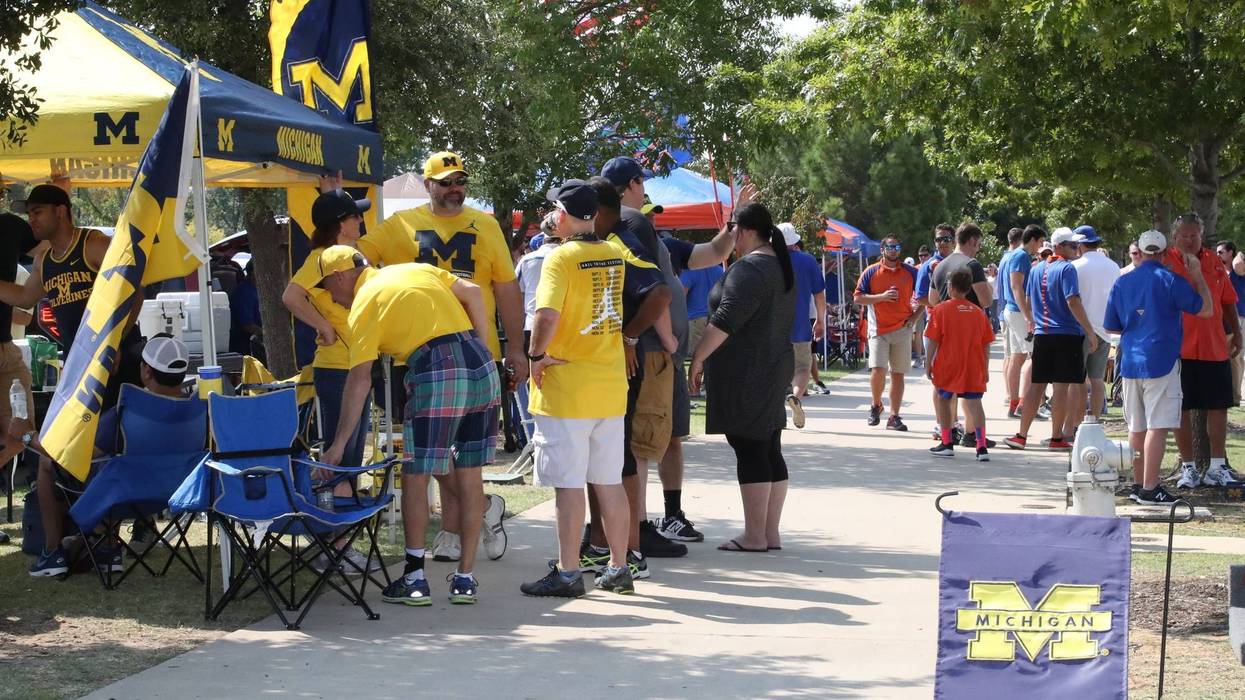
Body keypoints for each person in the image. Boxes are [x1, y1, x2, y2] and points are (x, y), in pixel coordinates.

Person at [354, 153, 521, 564]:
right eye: (445, 181)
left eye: (460, 180)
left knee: (464, 453)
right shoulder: (399, 225)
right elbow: (353, 257)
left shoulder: (485, 224)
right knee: (435, 451)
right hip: (422, 356)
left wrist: (516, 348)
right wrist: (336, 204)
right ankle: (475, 511)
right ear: (427, 184)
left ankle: (455, 526)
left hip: (477, 352)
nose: (454, 188)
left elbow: (505, 289)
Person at [318, 246, 500, 606]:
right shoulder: (414, 270)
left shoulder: (364, 304)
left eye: (327, 286)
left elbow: (359, 380)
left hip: (436, 365)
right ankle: (465, 579)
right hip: (480, 361)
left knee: (415, 473)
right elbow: (474, 293)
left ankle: (415, 577)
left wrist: (338, 445)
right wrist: (481, 343)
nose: (331, 296)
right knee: (469, 472)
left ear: (340, 276)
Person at [519, 179, 661, 597]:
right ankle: (619, 566)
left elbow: (546, 314)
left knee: (568, 485)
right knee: (609, 482)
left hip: (567, 387)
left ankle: (567, 572)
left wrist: (534, 355)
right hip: (608, 386)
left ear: (562, 215)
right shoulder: (613, 254)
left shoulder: (560, 259)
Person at [27, 335, 191, 576]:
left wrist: (28, 438)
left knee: (48, 463)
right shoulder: (196, 408)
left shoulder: (129, 410)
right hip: (175, 494)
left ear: (146, 371)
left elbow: (75, 453)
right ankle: (104, 547)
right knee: (115, 467)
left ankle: (53, 554)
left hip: (125, 495)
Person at [280, 189, 380, 573]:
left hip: (357, 368)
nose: (361, 220)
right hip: (337, 370)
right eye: (355, 215)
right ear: (341, 222)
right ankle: (334, 546)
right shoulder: (320, 259)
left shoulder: (348, 254)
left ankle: (338, 545)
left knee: (351, 459)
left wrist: (329, 190)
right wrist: (322, 325)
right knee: (337, 459)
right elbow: (290, 296)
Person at [689, 202, 794, 553]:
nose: (730, 237)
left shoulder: (749, 270)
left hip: (747, 370)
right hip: (773, 365)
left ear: (746, 231)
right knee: (768, 447)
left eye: (732, 228)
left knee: (750, 448)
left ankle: (754, 535)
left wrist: (698, 359)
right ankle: (769, 533)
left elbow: (725, 321)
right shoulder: (779, 265)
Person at [0, 184, 143, 409]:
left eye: (37, 212)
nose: (31, 221)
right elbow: (25, 297)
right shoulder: (43, 261)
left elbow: (134, 289)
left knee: (120, 432)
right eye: (29, 214)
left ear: (60, 212)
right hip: (79, 361)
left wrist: (116, 343)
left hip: (115, 357)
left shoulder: (94, 244)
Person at [1104, 230, 1212, 505]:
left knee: (1136, 427)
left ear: (1139, 251)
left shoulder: (1123, 281)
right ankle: (1151, 489)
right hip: (1161, 359)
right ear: (1164, 253)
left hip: (1131, 362)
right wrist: (1197, 274)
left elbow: (1111, 325)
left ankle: (1138, 484)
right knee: (1158, 426)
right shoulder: (1171, 280)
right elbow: (1205, 309)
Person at [1004, 228, 1098, 450]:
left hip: (1043, 335)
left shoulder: (1036, 269)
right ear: (1059, 247)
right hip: (1067, 335)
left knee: (1036, 387)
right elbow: (1073, 301)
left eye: (1077, 246)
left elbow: (1027, 296)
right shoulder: (1067, 269)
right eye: (1072, 245)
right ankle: (1056, 438)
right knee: (1060, 388)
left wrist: (1034, 319)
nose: (1077, 249)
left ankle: (1021, 435)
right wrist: (1090, 332)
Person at [1166, 213, 1241, 488]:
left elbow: (1229, 301)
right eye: (1183, 235)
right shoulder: (1166, 261)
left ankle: (1217, 467)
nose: (1188, 239)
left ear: (1201, 235)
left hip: (1214, 347)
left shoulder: (1214, 262)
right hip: (1178, 349)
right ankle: (1188, 467)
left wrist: (1238, 334)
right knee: (1180, 409)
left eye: (1193, 234)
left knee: (1219, 407)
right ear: (1175, 237)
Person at [928, 222, 995, 448]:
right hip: (969, 333)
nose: (977, 249)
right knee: (972, 391)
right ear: (972, 241)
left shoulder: (938, 266)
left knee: (946, 389)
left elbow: (932, 299)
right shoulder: (972, 265)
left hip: (945, 331)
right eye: (978, 244)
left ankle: (947, 434)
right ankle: (973, 435)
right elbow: (985, 300)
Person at [854, 236, 919, 431]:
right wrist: (881, 297)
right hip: (878, 329)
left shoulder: (910, 272)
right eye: (889, 246)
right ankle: (876, 405)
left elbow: (925, 297)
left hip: (902, 328)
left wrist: (915, 317)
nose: (893, 250)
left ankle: (894, 416)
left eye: (896, 246)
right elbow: (858, 298)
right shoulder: (871, 272)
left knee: (898, 374)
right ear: (882, 249)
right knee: (878, 370)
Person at [1067, 225, 1120, 439]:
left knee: (1076, 380)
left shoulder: (1075, 267)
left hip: (1080, 327)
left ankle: (1075, 426)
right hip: (1105, 328)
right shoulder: (1113, 266)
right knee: (1097, 380)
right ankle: (1094, 425)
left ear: (1080, 244)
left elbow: (1072, 300)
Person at [781, 222, 825, 429]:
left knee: (777, 368)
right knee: (802, 367)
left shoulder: (767, 260)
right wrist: (820, 319)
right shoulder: (808, 261)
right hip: (800, 326)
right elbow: (819, 295)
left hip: (773, 328)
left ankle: (773, 408)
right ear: (795, 241)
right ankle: (796, 396)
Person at [999, 225, 1046, 418]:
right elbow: (1017, 287)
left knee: (1017, 357)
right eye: (1041, 242)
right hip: (1018, 312)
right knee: (1034, 356)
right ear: (1033, 239)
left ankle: (1014, 403)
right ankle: (1024, 406)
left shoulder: (1017, 255)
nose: (1041, 247)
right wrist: (1029, 317)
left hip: (1014, 311)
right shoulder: (1020, 256)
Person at [1215, 240, 1245, 406]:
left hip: (1239, 317)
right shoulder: (1218, 272)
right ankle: (1226, 392)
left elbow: (1240, 262)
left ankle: (1235, 396)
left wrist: (1236, 258)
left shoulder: (1238, 271)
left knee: (1235, 356)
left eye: (1221, 252)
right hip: (1221, 318)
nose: (1217, 255)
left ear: (1230, 253)